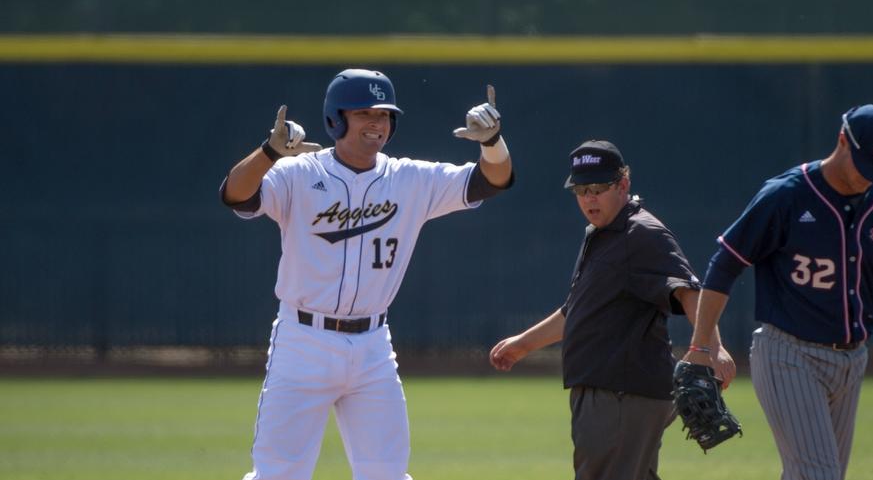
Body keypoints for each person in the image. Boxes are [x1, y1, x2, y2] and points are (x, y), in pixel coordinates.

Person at [220, 69, 514, 480]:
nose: (377, 123)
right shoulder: (299, 173)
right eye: (364, 113)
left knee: (387, 476)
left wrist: (492, 143)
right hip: (303, 341)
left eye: (385, 114)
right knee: (277, 475)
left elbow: (491, 181)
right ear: (336, 119)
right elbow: (235, 193)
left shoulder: (410, 178)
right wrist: (269, 152)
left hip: (374, 346)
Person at [683, 104, 873, 480]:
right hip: (789, 354)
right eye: (866, 166)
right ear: (842, 141)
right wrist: (701, 347)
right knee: (817, 475)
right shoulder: (785, 196)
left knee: (818, 474)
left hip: (852, 361)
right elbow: (726, 264)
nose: (871, 178)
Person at [489, 140, 734, 480]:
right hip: (610, 394)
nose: (589, 198)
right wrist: (524, 344)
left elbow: (690, 292)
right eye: (581, 189)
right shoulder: (602, 234)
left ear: (623, 184)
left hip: (620, 396)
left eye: (599, 188)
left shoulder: (642, 233)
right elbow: (576, 310)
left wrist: (710, 348)